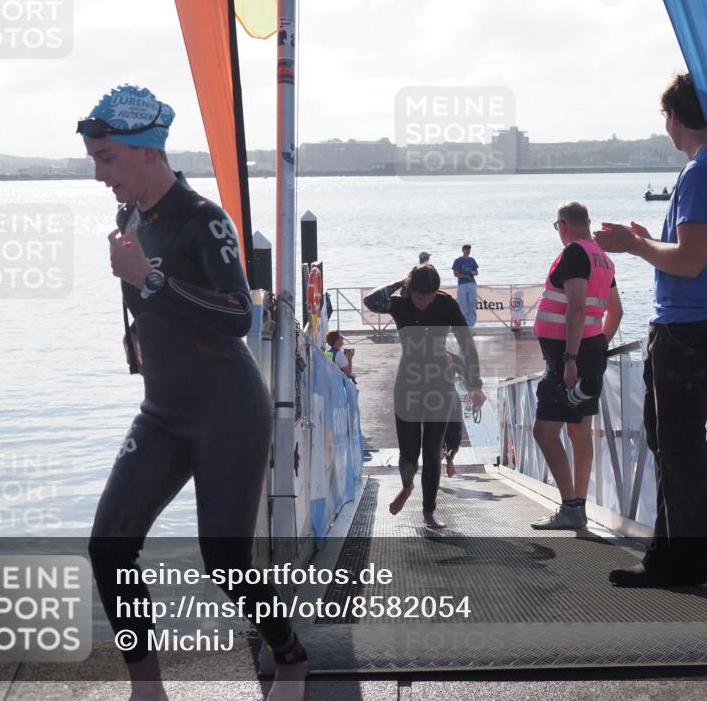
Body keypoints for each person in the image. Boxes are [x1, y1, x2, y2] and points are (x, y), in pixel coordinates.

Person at [78, 85, 307, 701]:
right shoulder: (130, 216)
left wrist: (150, 281)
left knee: (225, 562)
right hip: (164, 410)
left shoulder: (204, 218)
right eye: (95, 159)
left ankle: (289, 658)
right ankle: (147, 686)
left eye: (107, 159)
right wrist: (138, 335)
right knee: (109, 546)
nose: (99, 175)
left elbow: (238, 315)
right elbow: (149, 303)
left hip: (227, 411)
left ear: (148, 152)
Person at [594, 72, 707, 588]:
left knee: (677, 444)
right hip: (700, 321)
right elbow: (692, 253)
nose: (665, 126)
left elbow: (689, 261)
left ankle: (679, 562)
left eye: (665, 116)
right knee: (672, 442)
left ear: (676, 117)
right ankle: (679, 555)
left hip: (691, 327)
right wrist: (644, 240)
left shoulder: (703, 173)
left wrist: (632, 247)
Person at [364, 264, 485, 528]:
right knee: (409, 451)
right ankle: (407, 486)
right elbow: (370, 301)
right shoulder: (400, 304)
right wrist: (400, 282)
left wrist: (475, 384)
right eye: (420, 297)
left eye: (429, 297)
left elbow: (466, 343)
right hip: (408, 383)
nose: (424, 303)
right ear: (410, 291)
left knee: (431, 451)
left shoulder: (446, 304)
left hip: (439, 383)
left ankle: (429, 511)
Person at [529, 202, 623, 529]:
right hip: (590, 349)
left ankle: (570, 507)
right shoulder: (602, 258)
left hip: (567, 356)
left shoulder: (574, 254)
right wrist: (598, 347)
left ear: (564, 225)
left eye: (557, 227)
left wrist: (571, 358)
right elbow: (616, 311)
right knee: (579, 430)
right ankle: (577, 507)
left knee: (544, 431)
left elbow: (578, 308)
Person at [451, 244, 479, 328]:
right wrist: (464, 276)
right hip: (462, 284)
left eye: (469, 250)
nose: (468, 251)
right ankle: (464, 324)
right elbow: (455, 274)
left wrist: (473, 273)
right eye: (466, 250)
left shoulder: (472, 260)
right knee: (463, 304)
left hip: (471, 283)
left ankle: (471, 325)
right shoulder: (458, 260)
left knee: (472, 303)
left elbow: (476, 272)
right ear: (463, 250)